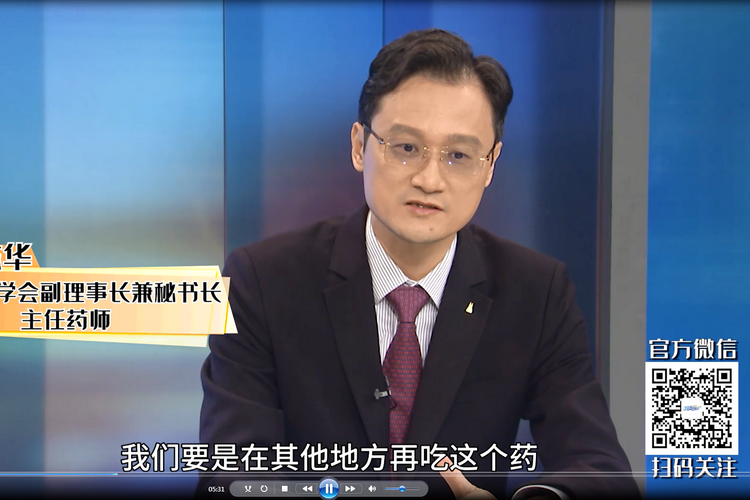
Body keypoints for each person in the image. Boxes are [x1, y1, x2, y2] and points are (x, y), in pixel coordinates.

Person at [198, 29, 637, 500]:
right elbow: (229, 475)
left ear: (490, 165)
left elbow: (600, 470)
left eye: (458, 156)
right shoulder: (261, 282)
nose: (430, 179)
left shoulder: (535, 292)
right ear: (359, 145)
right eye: (406, 148)